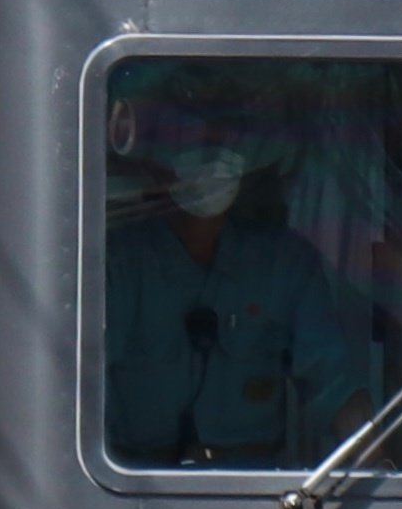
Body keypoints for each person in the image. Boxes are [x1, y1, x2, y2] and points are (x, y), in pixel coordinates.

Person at [104, 139, 377, 465]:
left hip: (253, 494)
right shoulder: (117, 262)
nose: (209, 157)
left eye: (223, 135)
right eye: (191, 135)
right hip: (134, 492)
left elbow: (334, 386)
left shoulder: (284, 264)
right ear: (154, 165)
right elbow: (81, 387)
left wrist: (379, 471)